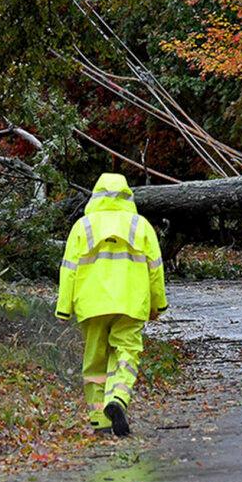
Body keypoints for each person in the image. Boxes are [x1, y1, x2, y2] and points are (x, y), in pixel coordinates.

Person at [56, 173, 167, 437]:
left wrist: (64, 307)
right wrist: (158, 304)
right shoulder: (141, 226)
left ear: (96, 196)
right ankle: (116, 398)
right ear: (128, 196)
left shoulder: (83, 227)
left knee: (94, 361)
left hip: (91, 304)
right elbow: (155, 268)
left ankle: (99, 421)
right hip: (131, 302)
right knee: (126, 353)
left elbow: (68, 268)